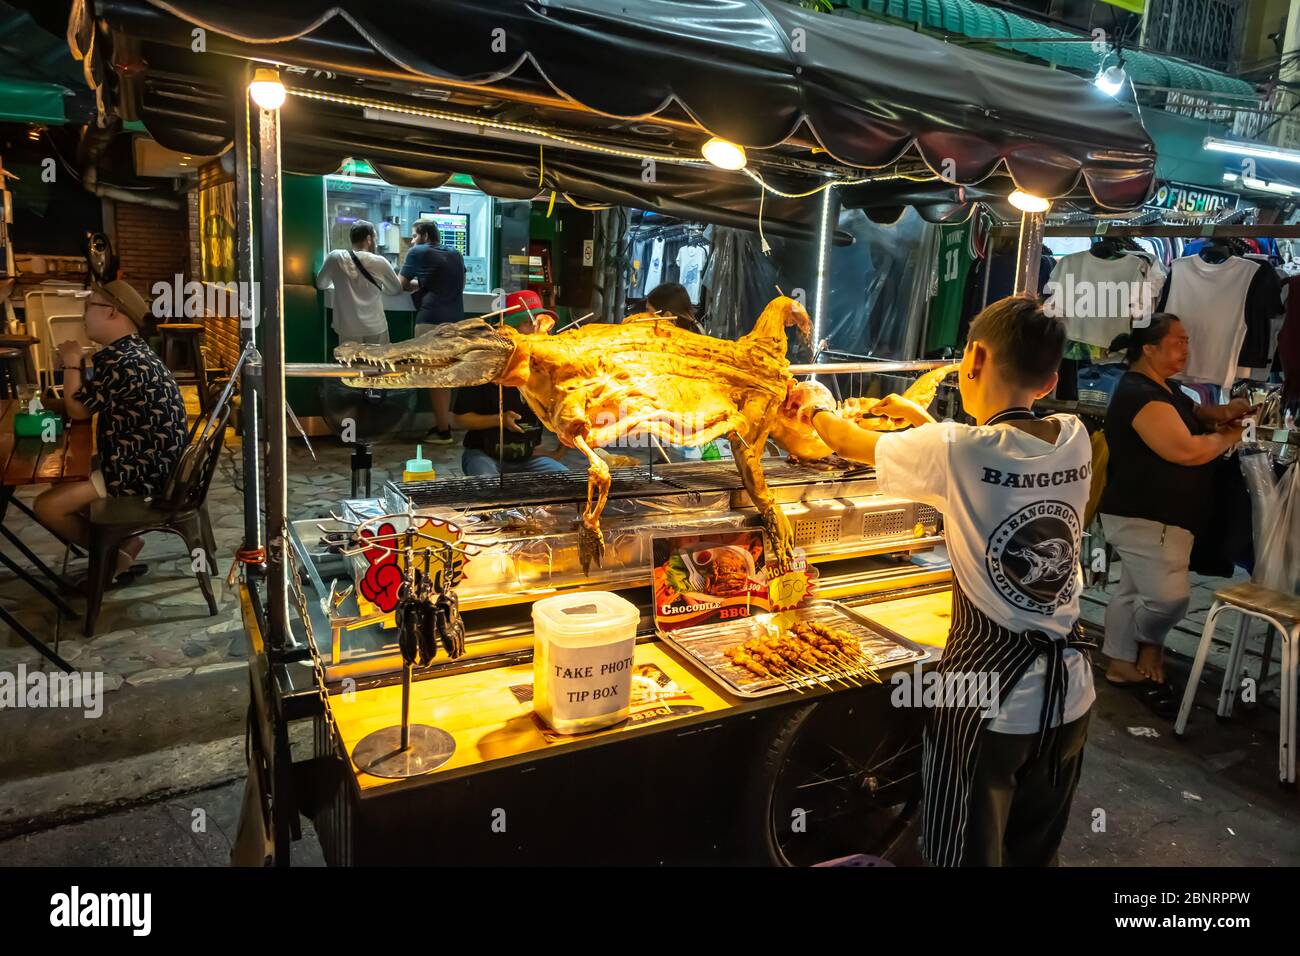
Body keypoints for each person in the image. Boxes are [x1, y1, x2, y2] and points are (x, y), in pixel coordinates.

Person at [787, 294, 1094, 866]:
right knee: (1034, 855)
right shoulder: (1074, 436)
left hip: (986, 701)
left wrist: (815, 403)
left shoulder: (954, 450)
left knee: (962, 857)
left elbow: (846, 441)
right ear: (1050, 380)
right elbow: (989, 458)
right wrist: (922, 423)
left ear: (973, 358)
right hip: (1070, 695)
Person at [1098, 314, 1249, 716]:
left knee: (1132, 592)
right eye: (1178, 341)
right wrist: (1228, 436)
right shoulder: (1139, 395)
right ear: (1149, 348)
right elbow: (1185, 450)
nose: (1186, 348)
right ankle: (1148, 645)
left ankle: (1119, 664)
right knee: (1169, 600)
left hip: (1157, 516)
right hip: (1148, 516)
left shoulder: (1164, 389)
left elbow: (1195, 415)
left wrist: (1222, 413)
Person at [33, 281, 188, 584]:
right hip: (150, 462)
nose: (83, 316)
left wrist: (72, 364)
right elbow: (85, 403)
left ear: (112, 312)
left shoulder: (121, 360)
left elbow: (78, 410)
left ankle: (113, 551)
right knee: (71, 478)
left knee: (47, 506)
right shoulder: (131, 352)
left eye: (88, 307)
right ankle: (116, 547)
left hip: (140, 471)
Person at [452, 315, 567, 477]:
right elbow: (459, 420)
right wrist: (500, 420)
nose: (537, 329)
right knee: (487, 483)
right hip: (484, 455)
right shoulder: (483, 370)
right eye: (528, 323)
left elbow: (566, 414)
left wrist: (559, 452)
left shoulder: (546, 372)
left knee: (565, 478)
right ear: (510, 330)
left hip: (529, 458)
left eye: (541, 324)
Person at [400, 220, 466, 445]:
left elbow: (400, 284)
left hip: (431, 320)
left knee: (434, 378)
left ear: (425, 235)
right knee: (445, 377)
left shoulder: (417, 252)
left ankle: (444, 431)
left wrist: (417, 285)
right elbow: (457, 283)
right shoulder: (456, 254)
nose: (412, 240)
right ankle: (442, 425)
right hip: (456, 322)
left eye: (414, 235)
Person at [315, 220, 410, 346]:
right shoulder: (380, 262)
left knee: (350, 364)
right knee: (377, 364)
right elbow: (396, 289)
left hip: (347, 328)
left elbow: (321, 284)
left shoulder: (335, 257)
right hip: (375, 327)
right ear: (369, 238)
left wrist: (339, 282)